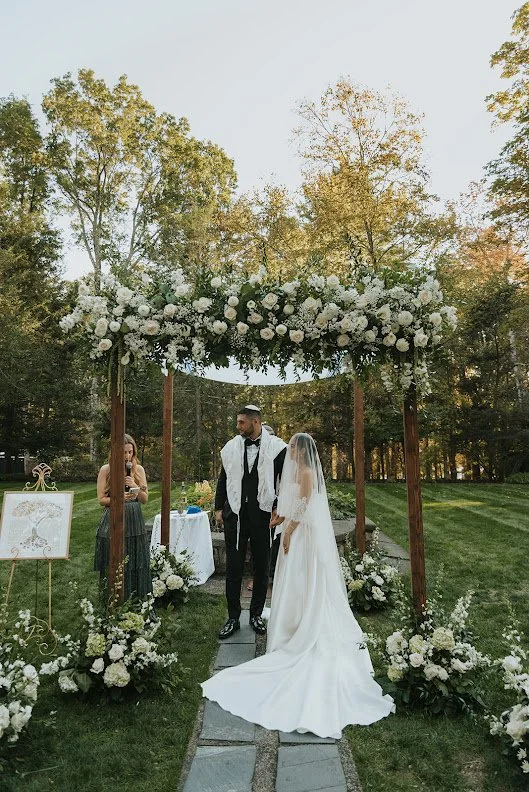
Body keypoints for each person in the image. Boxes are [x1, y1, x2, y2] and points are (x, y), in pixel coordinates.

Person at [202, 433, 395, 737]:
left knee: (304, 581)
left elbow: (304, 507)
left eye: (292, 448)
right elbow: (292, 504)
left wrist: (289, 530)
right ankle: (293, 619)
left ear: (302, 452)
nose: (288, 451)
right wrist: (279, 521)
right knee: (291, 582)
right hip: (293, 530)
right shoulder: (295, 471)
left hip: (304, 536)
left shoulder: (306, 473)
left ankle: (305, 621)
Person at [215, 406, 287, 638]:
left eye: (241, 422)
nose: (238, 427)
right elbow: (224, 477)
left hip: (263, 516)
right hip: (235, 515)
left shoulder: (278, 448)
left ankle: (256, 614)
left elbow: (285, 482)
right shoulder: (231, 447)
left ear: (255, 422)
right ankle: (233, 617)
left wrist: (280, 507)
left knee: (261, 566)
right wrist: (218, 507)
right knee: (233, 567)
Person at [94, 433, 152, 600]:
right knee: (113, 557)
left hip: (134, 518)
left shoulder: (138, 470)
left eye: (130, 452)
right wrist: (118, 499)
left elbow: (145, 499)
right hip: (113, 517)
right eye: (124, 452)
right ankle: (112, 598)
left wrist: (136, 486)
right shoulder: (106, 469)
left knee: (135, 558)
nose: (127, 456)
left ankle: (135, 597)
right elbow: (101, 500)